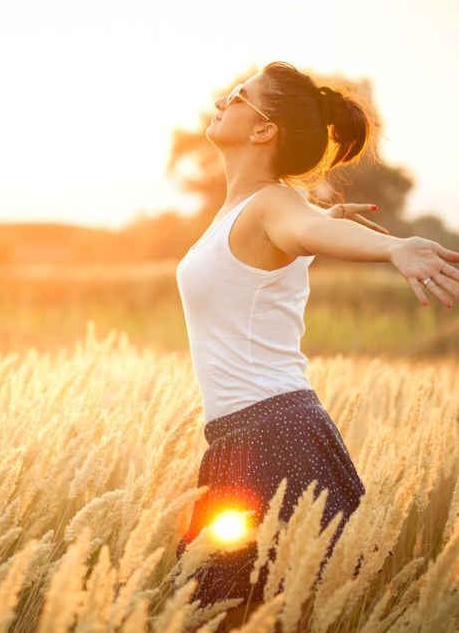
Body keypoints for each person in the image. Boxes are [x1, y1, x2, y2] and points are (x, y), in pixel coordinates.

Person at [173, 61, 459, 630]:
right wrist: (321, 221)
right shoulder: (249, 211)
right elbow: (301, 232)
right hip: (245, 436)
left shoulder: (275, 204)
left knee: (268, 618)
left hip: (275, 436)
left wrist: (394, 247)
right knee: (223, 617)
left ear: (263, 130)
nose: (223, 101)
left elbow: (307, 229)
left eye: (238, 96)